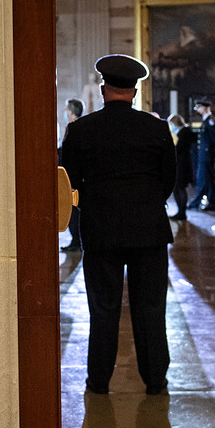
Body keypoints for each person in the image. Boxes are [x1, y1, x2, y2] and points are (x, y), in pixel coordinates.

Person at [60, 54, 177, 395]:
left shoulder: (80, 130)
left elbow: (70, 183)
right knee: (152, 308)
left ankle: (98, 381)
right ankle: (155, 380)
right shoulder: (157, 129)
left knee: (103, 309)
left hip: (101, 231)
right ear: (135, 92)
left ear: (102, 88)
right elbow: (168, 180)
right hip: (149, 232)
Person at [59, 98, 84, 251]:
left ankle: (76, 241)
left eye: (67, 109)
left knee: (73, 211)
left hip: (73, 176)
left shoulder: (74, 127)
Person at [188, 98, 215, 211]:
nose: (198, 110)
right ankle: (209, 202)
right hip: (204, 155)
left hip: (207, 155)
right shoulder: (206, 120)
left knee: (205, 179)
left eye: (199, 107)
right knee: (207, 179)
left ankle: (200, 202)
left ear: (205, 108)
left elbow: (214, 138)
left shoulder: (210, 120)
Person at [167, 113, 194, 221]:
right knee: (178, 188)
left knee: (180, 188)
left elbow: (179, 149)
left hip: (182, 165)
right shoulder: (183, 132)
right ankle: (181, 212)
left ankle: (182, 213)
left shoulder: (184, 133)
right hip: (182, 164)